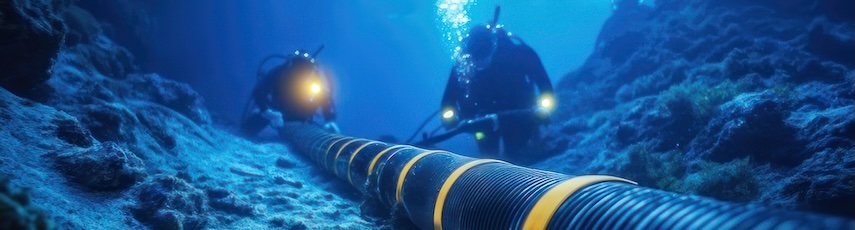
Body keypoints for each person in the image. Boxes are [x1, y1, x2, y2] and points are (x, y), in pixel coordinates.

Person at [439, 6, 554, 160]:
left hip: (519, 115)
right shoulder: (463, 66)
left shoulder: (518, 53)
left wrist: (543, 110)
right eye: (476, 57)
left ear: (493, 46)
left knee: (518, 154)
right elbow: (448, 100)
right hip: (483, 122)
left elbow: (545, 86)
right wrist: (452, 119)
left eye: (484, 54)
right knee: (490, 159)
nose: (481, 61)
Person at [240, 48, 339, 137]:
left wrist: (329, 120)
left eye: (306, 69)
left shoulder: (314, 84)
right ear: (292, 65)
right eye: (298, 68)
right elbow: (258, 91)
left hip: (301, 120)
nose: (301, 73)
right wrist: (265, 111)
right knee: (246, 131)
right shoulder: (279, 74)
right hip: (276, 113)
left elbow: (324, 100)